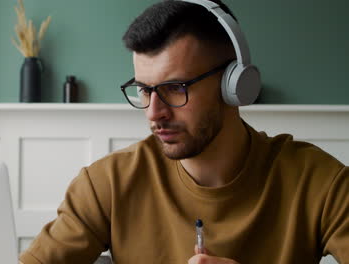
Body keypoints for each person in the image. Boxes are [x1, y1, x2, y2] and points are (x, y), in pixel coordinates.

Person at [19, 1, 349, 263]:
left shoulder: (319, 182)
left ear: (234, 84)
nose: (154, 112)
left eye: (175, 88)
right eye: (144, 90)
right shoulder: (106, 184)